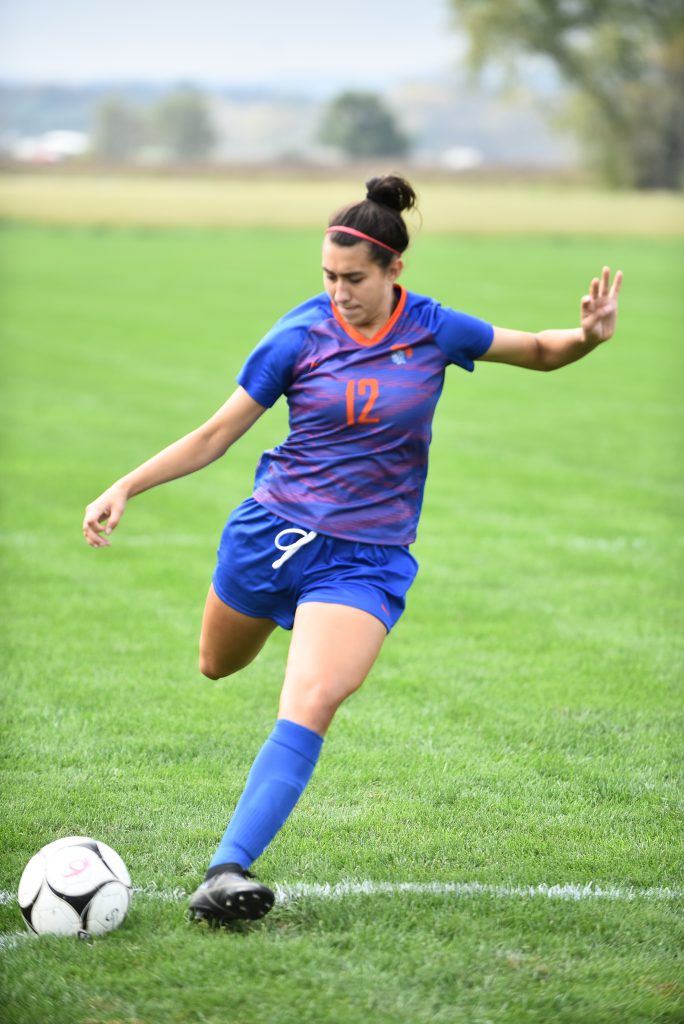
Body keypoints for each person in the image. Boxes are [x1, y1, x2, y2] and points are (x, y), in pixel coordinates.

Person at [82, 174, 623, 926]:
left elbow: (535, 349)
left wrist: (586, 339)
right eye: (329, 277)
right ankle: (289, 616)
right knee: (217, 663)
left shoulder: (433, 328)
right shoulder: (297, 335)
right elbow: (216, 433)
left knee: (313, 697)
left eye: (355, 279)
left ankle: (225, 870)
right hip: (272, 535)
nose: (340, 292)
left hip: (364, 558)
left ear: (395, 270)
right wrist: (126, 486)